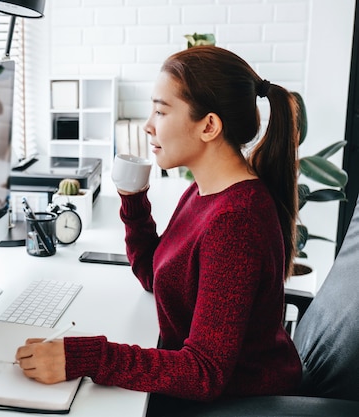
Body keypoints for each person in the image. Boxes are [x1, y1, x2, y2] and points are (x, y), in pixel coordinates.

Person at [15, 45, 303, 415]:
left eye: (161, 110)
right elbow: (154, 274)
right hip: (213, 388)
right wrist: (134, 203)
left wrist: (86, 357)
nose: (148, 124)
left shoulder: (236, 221)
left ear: (209, 126)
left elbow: (204, 373)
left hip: (237, 402)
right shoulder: (204, 190)